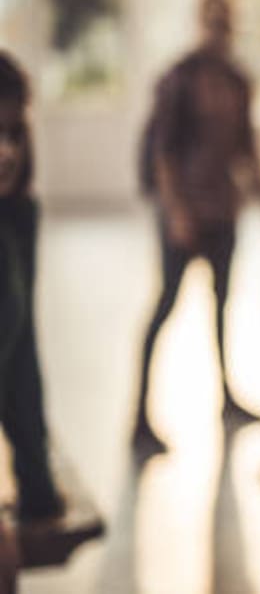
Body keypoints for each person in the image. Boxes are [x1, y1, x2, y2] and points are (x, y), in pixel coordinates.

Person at [133, 0, 260, 453]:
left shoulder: (237, 80)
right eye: (212, 18)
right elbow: (164, 152)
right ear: (200, 21)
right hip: (186, 212)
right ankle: (139, 415)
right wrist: (176, 210)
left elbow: (246, 149)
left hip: (222, 210)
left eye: (226, 19)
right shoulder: (179, 78)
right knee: (167, 305)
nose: (219, 27)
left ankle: (227, 398)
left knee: (222, 305)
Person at [0, 50, 104, 562]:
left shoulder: (17, 216)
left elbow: (21, 366)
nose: (4, 153)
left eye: (12, 135)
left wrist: (37, 486)